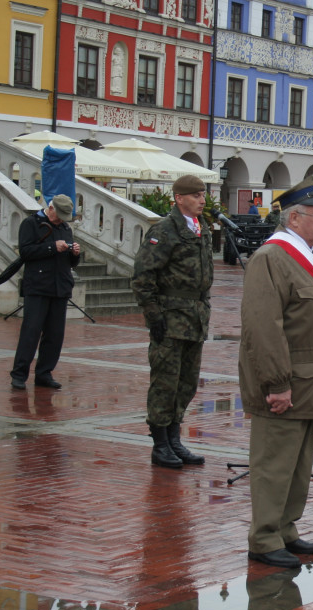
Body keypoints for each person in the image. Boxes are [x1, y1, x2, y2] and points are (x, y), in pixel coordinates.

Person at [239, 177, 313, 568]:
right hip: (287, 384)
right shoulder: (272, 258)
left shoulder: (307, 256)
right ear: (295, 218)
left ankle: (285, 528)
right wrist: (277, 383)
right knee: (274, 464)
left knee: (297, 465)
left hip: (309, 384)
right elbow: (263, 327)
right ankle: (264, 538)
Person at [131, 174, 214, 469]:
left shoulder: (202, 229)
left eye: (203, 194)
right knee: (165, 382)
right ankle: (160, 444)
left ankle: (175, 438)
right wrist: (153, 314)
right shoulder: (165, 230)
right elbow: (143, 276)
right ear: (179, 198)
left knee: (187, 382)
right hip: (170, 317)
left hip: (194, 318)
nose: (202, 200)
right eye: (195, 195)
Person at [9, 194, 81, 391]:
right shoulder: (31, 224)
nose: (61, 220)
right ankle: (19, 374)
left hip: (60, 287)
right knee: (31, 332)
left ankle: (44, 373)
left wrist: (75, 254)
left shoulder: (65, 228)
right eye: (59, 216)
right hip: (39, 286)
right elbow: (26, 252)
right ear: (50, 209)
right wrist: (52, 247)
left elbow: (70, 263)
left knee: (55, 334)